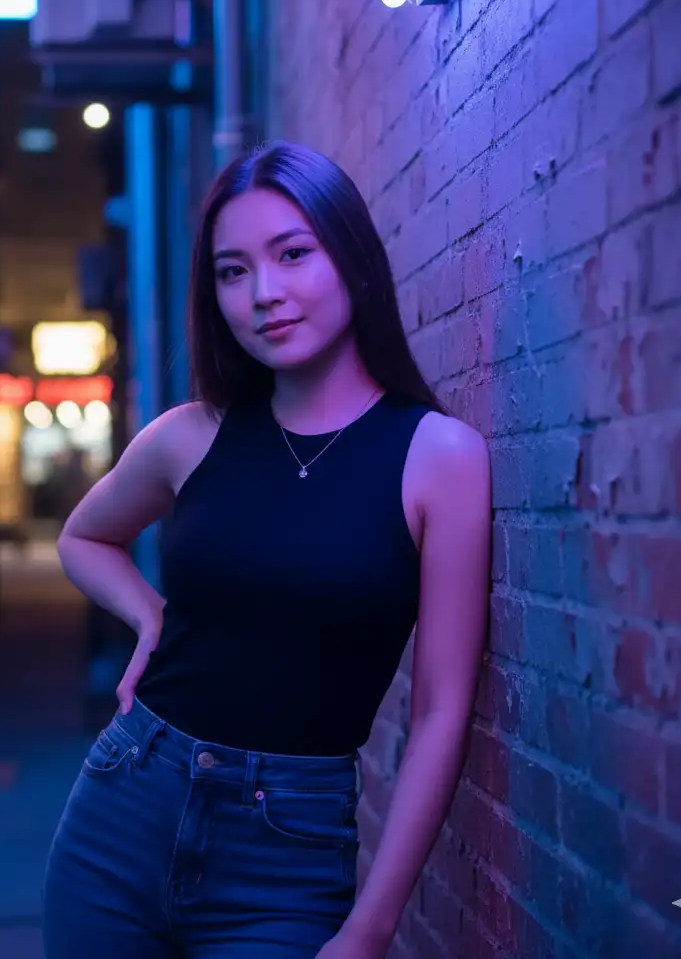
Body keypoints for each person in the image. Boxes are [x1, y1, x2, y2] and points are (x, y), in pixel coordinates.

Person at [42, 141, 492, 958]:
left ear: (353, 261)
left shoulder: (440, 457)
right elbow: (84, 537)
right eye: (232, 271)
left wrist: (371, 928)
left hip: (286, 849)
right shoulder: (189, 436)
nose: (264, 294)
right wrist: (151, 618)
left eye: (292, 254)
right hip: (124, 807)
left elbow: (440, 711)